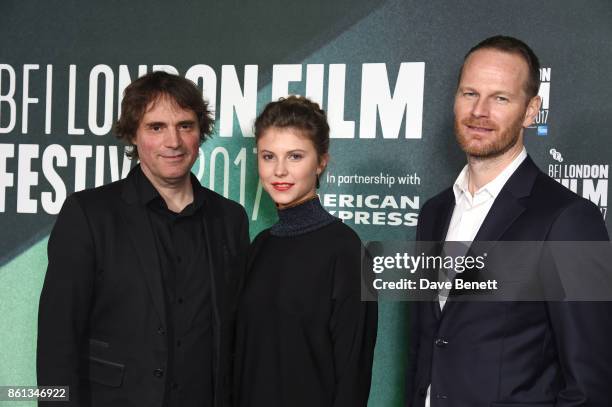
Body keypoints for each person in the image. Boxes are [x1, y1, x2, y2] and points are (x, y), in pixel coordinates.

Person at [405, 36, 612, 406]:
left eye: (500, 98)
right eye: (470, 93)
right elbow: (430, 344)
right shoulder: (434, 213)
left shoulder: (568, 220)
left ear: (531, 111)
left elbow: (591, 385)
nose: (479, 111)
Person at [37, 71, 249, 407]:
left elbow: (236, 337)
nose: (174, 142)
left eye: (185, 125)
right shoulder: (89, 214)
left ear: (200, 132)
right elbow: (56, 342)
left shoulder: (229, 218)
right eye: (156, 127)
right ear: (133, 134)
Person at [233, 96, 377, 407]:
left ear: (321, 161)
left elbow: (353, 375)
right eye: (269, 156)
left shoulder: (348, 251)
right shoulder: (260, 245)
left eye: (295, 156)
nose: (279, 170)